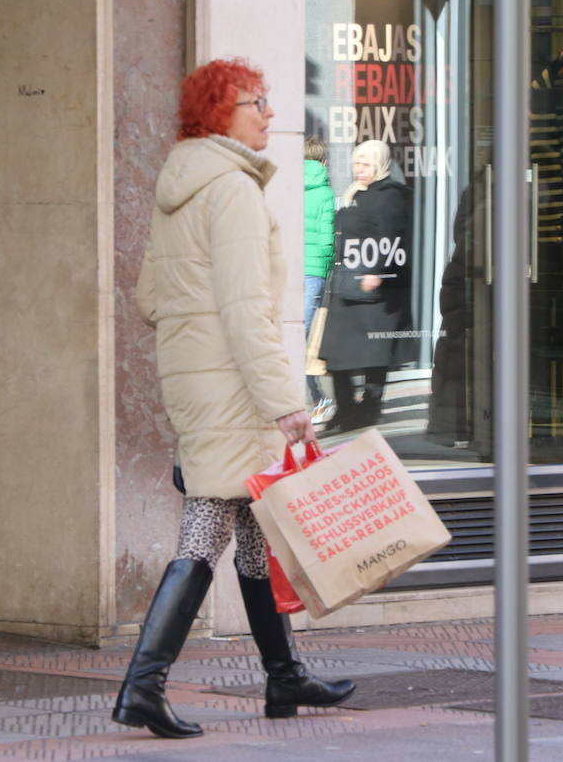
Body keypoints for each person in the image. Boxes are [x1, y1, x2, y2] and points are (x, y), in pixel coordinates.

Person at [118, 58, 356, 739]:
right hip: (234, 388)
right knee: (206, 530)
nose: (270, 114)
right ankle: (143, 686)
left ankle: (284, 678)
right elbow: (248, 310)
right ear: (223, 112)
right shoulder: (232, 193)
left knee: (254, 530)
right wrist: (285, 401)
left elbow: (150, 298)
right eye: (258, 101)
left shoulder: (185, 185)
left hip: (201, 380)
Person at [319, 139, 415, 431]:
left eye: (365, 164)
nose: (358, 170)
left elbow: (392, 236)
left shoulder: (390, 196)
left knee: (374, 351)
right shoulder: (356, 193)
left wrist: (376, 271)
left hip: (375, 289)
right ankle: (346, 408)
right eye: (356, 163)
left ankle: (368, 407)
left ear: (379, 165)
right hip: (349, 284)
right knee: (336, 353)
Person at [303, 136, 336, 424]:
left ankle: (315, 400)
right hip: (312, 271)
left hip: (287, 270)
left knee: (291, 339)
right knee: (303, 341)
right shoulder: (324, 192)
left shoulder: (287, 184)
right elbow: (326, 241)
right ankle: (318, 400)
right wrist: (326, 272)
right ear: (323, 161)